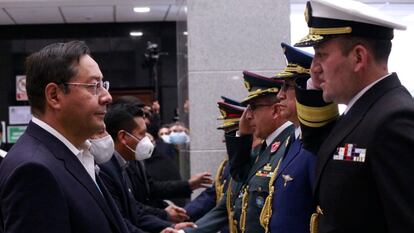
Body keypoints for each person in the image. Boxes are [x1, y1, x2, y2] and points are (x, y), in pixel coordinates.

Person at [295, 0, 414, 232]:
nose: (314, 68)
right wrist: (312, 90)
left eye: (321, 55)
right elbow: (320, 145)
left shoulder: (394, 120)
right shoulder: (363, 110)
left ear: (358, 57)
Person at [0, 41, 130, 233]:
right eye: (94, 86)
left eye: (103, 85)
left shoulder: (75, 153)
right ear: (54, 96)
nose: (107, 96)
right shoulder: (34, 169)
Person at [262, 42, 337, 233]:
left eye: (287, 87)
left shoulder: (320, 145)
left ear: (307, 88)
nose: (279, 96)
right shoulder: (294, 141)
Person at [100, 105, 196, 232]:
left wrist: (171, 227)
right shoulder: (106, 170)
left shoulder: (123, 164)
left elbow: (135, 212)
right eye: (142, 134)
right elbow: (120, 222)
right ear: (123, 137)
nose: (146, 140)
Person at [183, 98, 245, 233]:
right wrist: (183, 214)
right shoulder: (229, 163)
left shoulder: (248, 162)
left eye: (230, 133)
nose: (224, 139)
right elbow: (214, 197)